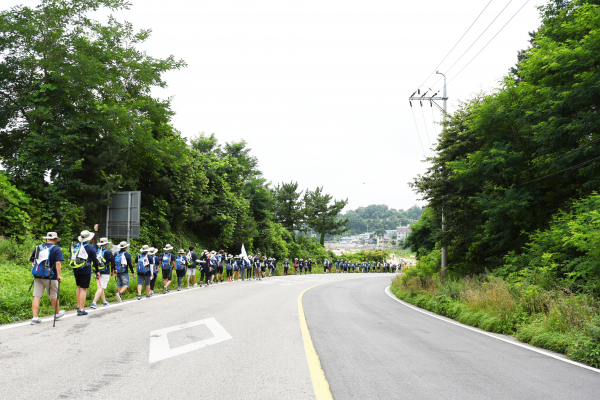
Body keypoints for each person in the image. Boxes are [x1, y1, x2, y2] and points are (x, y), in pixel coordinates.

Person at [29, 232, 66, 324]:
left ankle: (35, 317)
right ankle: (57, 314)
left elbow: (33, 262)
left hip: (37, 276)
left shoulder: (38, 247)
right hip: (51, 277)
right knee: (53, 295)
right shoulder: (56, 249)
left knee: (37, 296)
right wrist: (58, 276)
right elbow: (58, 263)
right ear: (55, 239)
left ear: (46, 239)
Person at [71, 230, 100, 315]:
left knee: (79, 287)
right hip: (85, 270)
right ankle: (81, 309)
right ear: (88, 238)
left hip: (76, 269)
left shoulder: (77, 245)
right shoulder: (91, 248)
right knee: (83, 289)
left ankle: (78, 307)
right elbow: (95, 261)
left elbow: (73, 257)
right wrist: (97, 271)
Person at [90, 237, 114, 308]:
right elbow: (113, 261)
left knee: (101, 287)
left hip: (97, 272)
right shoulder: (108, 252)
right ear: (106, 244)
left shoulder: (96, 250)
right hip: (105, 272)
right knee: (101, 287)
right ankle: (94, 303)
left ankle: (104, 302)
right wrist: (113, 270)